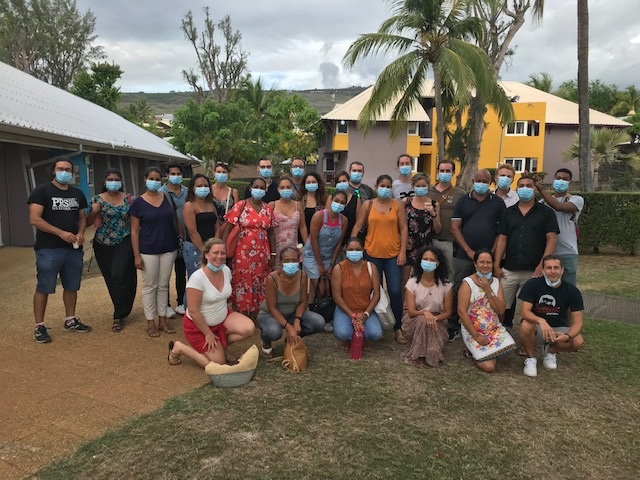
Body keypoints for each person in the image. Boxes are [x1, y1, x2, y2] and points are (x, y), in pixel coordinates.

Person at [28, 158, 90, 343]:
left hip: (72, 249)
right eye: (60, 169)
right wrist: (61, 233)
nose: (64, 172)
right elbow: (35, 219)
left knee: (72, 286)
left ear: (72, 172)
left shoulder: (77, 193)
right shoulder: (41, 191)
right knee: (44, 287)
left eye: (68, 169)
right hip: (49, 249)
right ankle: (39, 326)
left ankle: (70, 320)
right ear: (53, 171)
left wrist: (80, 233)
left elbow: (81, 218)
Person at [167, 238, 255, 367]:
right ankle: (179, 348)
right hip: (198, 327)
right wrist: (208, 333)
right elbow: (193, 311)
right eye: (215, 253)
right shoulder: (197, 278)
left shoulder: (226, 270)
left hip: (221, 318)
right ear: (206, 255)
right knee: (218, 363)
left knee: (248, 328)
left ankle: (220, 345)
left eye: (223, 253)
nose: (219, 256)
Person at [493, 174, 560, 329]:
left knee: (532, 309)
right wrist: (496, 265)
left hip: (534, 270)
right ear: (517, 189)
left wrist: (543, 265)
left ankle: (527, 341)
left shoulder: (546, 213)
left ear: (535, 189)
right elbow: (502, 239)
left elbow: (551, 239)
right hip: (509, 269)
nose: (525, 189)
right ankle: (498, 336)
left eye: (529, 186)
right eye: (521, 185)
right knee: (500, 306)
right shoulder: (508, 212)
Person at [449, 169, 506, 340]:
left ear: (490, 183)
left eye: (485, 181)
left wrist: (492, 254)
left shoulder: (498, 203)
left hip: (487, 259)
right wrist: (468, 250)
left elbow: (501, 232)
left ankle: (491, 323)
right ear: (473, 181)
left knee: (489, 290)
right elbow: (454, 228)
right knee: (458, 289)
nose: (481, 183)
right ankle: (454, 325)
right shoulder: (462, 201)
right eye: (478, 180)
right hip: (463, 254)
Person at [351, 174, 408, 344]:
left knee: (395, 291)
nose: (385, 189)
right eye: (382, 185)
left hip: (393, 254)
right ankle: (374, 324)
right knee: (372, 292)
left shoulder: (397, 205)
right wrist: (351, 246)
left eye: (388, 186)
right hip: (371, 253)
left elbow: (404, 229)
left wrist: (403, 251)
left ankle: (397, 327)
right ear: (376, 186)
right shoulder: (368, 205)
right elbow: (358, 225)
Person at [129, 166, 180, 337]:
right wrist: (136, 255)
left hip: (168, 248)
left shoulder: (166, 198)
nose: (154, 182)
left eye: (158, 179)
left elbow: (174, 220)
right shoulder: (138, 203)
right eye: (151, 178)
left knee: (163, 285)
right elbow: (134, 231)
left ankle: (163, 320)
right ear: (145, 179)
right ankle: (150, 322)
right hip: (148, 250)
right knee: (150, 286)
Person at [86, 168, 137, 332]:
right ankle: (118, 313)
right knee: (111, 278)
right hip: (103, 243)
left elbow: (136, 223)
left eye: (116, 179)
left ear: (121, 181)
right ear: (104, 182)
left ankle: (121, 310)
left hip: (124, 240)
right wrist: (94, 211)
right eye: (110, 179)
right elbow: (87, 222)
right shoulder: (96, 199)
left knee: (121, 275)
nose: (113, 182)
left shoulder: (129, 199)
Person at [518, 255, 585, 377]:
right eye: (549, 268)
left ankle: (550, 350)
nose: (552, 271)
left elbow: (578, 321)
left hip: (559, 329)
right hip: (538, 328)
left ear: (562, 270)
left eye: (556, 268)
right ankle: (531, 358)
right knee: (525, 325)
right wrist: (541, 321)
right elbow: (524, 312)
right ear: (543, 270)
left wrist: (567, 335)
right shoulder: (532, 284)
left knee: (578, 341)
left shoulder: (572, 290)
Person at [256, 247, 325, 357]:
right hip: (270, 315)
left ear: (299, 261)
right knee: (273, 332)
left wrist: (297, 321)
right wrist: (289, 327)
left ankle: (292, 339)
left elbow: (303, 302)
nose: (291, 263)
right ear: (281, 262)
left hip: (292, 314)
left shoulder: (302, 275)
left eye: (294, 260)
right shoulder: (272, 278)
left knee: (318, 322)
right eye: (287, 261)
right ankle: (266, 340)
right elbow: (272, 308)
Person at [223, 177, 276, 318]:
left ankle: (256, 313)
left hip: (262, 253)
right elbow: (228, 226)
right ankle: (242, 313)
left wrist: (274, 253)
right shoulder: (241, 205)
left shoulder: (268, 209)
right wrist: (222, 249)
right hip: (242, 252)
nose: (259, 190)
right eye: (256, 186)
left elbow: (271, 232)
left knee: (259, 282)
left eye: (262, 187)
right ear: (250, 188)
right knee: (242, 280)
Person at [458, 249, 514, 373]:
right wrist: (476, 336)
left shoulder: (496, 283)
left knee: (511, 345)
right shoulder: (467, 284)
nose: (485, 265)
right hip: (473, 331)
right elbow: (461, 312)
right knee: (489, 367)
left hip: (493, 329)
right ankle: (474, 355)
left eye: (488, 262)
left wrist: (488, 290)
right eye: (481, 262)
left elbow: (500, 310)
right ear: (475, 264)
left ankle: (487, 352)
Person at [401, 246, 453, 367]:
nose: (428, 262)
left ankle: (425, 353)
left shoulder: (446, 286)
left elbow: (447, 313)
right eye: (426, 259)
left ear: (438, 263)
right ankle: (419, 355)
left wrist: (433, 318)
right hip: (413, 321)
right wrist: (425, 313)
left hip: (437, 321)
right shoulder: (412, 283)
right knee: (422, 320)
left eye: (432, 260)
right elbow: (412, 312)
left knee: (433, 348)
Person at [535, 168, 584, 286]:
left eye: (565, 179)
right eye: (558, 178)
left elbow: (559, 207)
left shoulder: (576, 200)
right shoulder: (542, 202)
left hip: (567, 253)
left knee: (568, 289)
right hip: (547, 253)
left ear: (570, 183)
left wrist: (540, 188)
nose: (560, 181)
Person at [331, 237, 383, 346]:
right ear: (345, 250)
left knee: (376, 334)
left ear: (363, 250)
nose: (354, 252)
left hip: (366, 310)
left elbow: (377, 295)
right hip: (345, 310)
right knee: (342, 333)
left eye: (357, 249)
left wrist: (365, 315)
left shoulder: (371, 267)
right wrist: (352, 316)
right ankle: (350, 337)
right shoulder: (338, 268)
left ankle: (362, 335)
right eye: (351, 249)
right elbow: (337, 297)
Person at [302, 190, 348, 300]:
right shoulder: (319, 216)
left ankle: (327, 314)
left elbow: (338, 244)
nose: (339, 204)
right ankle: (314, 311)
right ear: (331, 201)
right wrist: (319, 264)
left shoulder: (344, 221)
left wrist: (332, 265)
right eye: (336, 201)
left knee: (329, 290)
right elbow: (314, 241)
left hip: (329, 256)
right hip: (312, 255)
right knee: (320, 289)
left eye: (342, 202)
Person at [426, 160, 466, 287]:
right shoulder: (427, 192)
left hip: (450, 242)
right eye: (442, 171)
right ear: (437, 172)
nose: (444, 173)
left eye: (448, 171)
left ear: (453, 173)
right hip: (430, 240)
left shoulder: (460, 194)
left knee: (449, 277)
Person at [182, 174, 220, 294]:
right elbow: (192, 232)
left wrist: (215, 246)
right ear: (193, 188)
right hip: (195, 248)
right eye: (199, 186)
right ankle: (190, 310)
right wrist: (204, 251)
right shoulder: (189, 206)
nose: (203, 188)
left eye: (205, 185)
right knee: (196, 283)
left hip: (211, 247)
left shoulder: (211, 205)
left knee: (209, 282)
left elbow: (217, 226)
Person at [159, 162, 188, 317]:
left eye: (178, 174)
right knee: (165, 273)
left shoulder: (188, 192)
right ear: (166, 175)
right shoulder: (160, 192)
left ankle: (182, 302)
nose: (176, 177)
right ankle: (166, 305)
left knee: (181, 272)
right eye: (173, 174)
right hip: (167, 237)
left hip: (185, 238)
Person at [493, 163, 519, 329]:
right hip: (489, 250)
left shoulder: (518, 198)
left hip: (510, 251)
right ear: (495, 178)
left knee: (508, 288)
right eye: (502, 175)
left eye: (508, 176)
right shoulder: (488, 197)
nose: (505, 179)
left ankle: (507, 323)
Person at [404, 173, 441, 290]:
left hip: (426, 247)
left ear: (428, 186)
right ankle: (405, 306)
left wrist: (433, 214)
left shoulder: (434, 204)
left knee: (424, 281)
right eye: (418, 186)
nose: (421, 188)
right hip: (409, 247)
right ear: (413, 187)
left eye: (423, 186)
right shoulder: (406, 203)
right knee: (405, 282)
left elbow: (438, 229)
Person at [269, 176, 308, 269]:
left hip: (293, 249)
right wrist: (271, 252)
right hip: (276, 249)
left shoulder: (298, 205)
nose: (285, 190)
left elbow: (302, 227)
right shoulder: (272, 205)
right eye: (282, 188)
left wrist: (307, 246)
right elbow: (268, 229)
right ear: (278, 189)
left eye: (288, 187)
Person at [325, 170, 361, 247]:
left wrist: (351, 241)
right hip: (332, 240)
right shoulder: (331, 198)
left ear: (348, 182)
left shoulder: (356, 199)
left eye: (344, 181)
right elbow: (325, 219)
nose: (342, 183)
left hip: (349, 239)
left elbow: (358, 222)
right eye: (339, 181)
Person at [210, 161, 240, 226]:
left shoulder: (233, 192)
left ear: (228, 174)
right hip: (210, 226)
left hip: (227, 228)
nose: (221, 174)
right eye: (218, 172)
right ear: (214, 173)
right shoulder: (208, 190)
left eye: (224, 172)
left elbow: (236, 213)